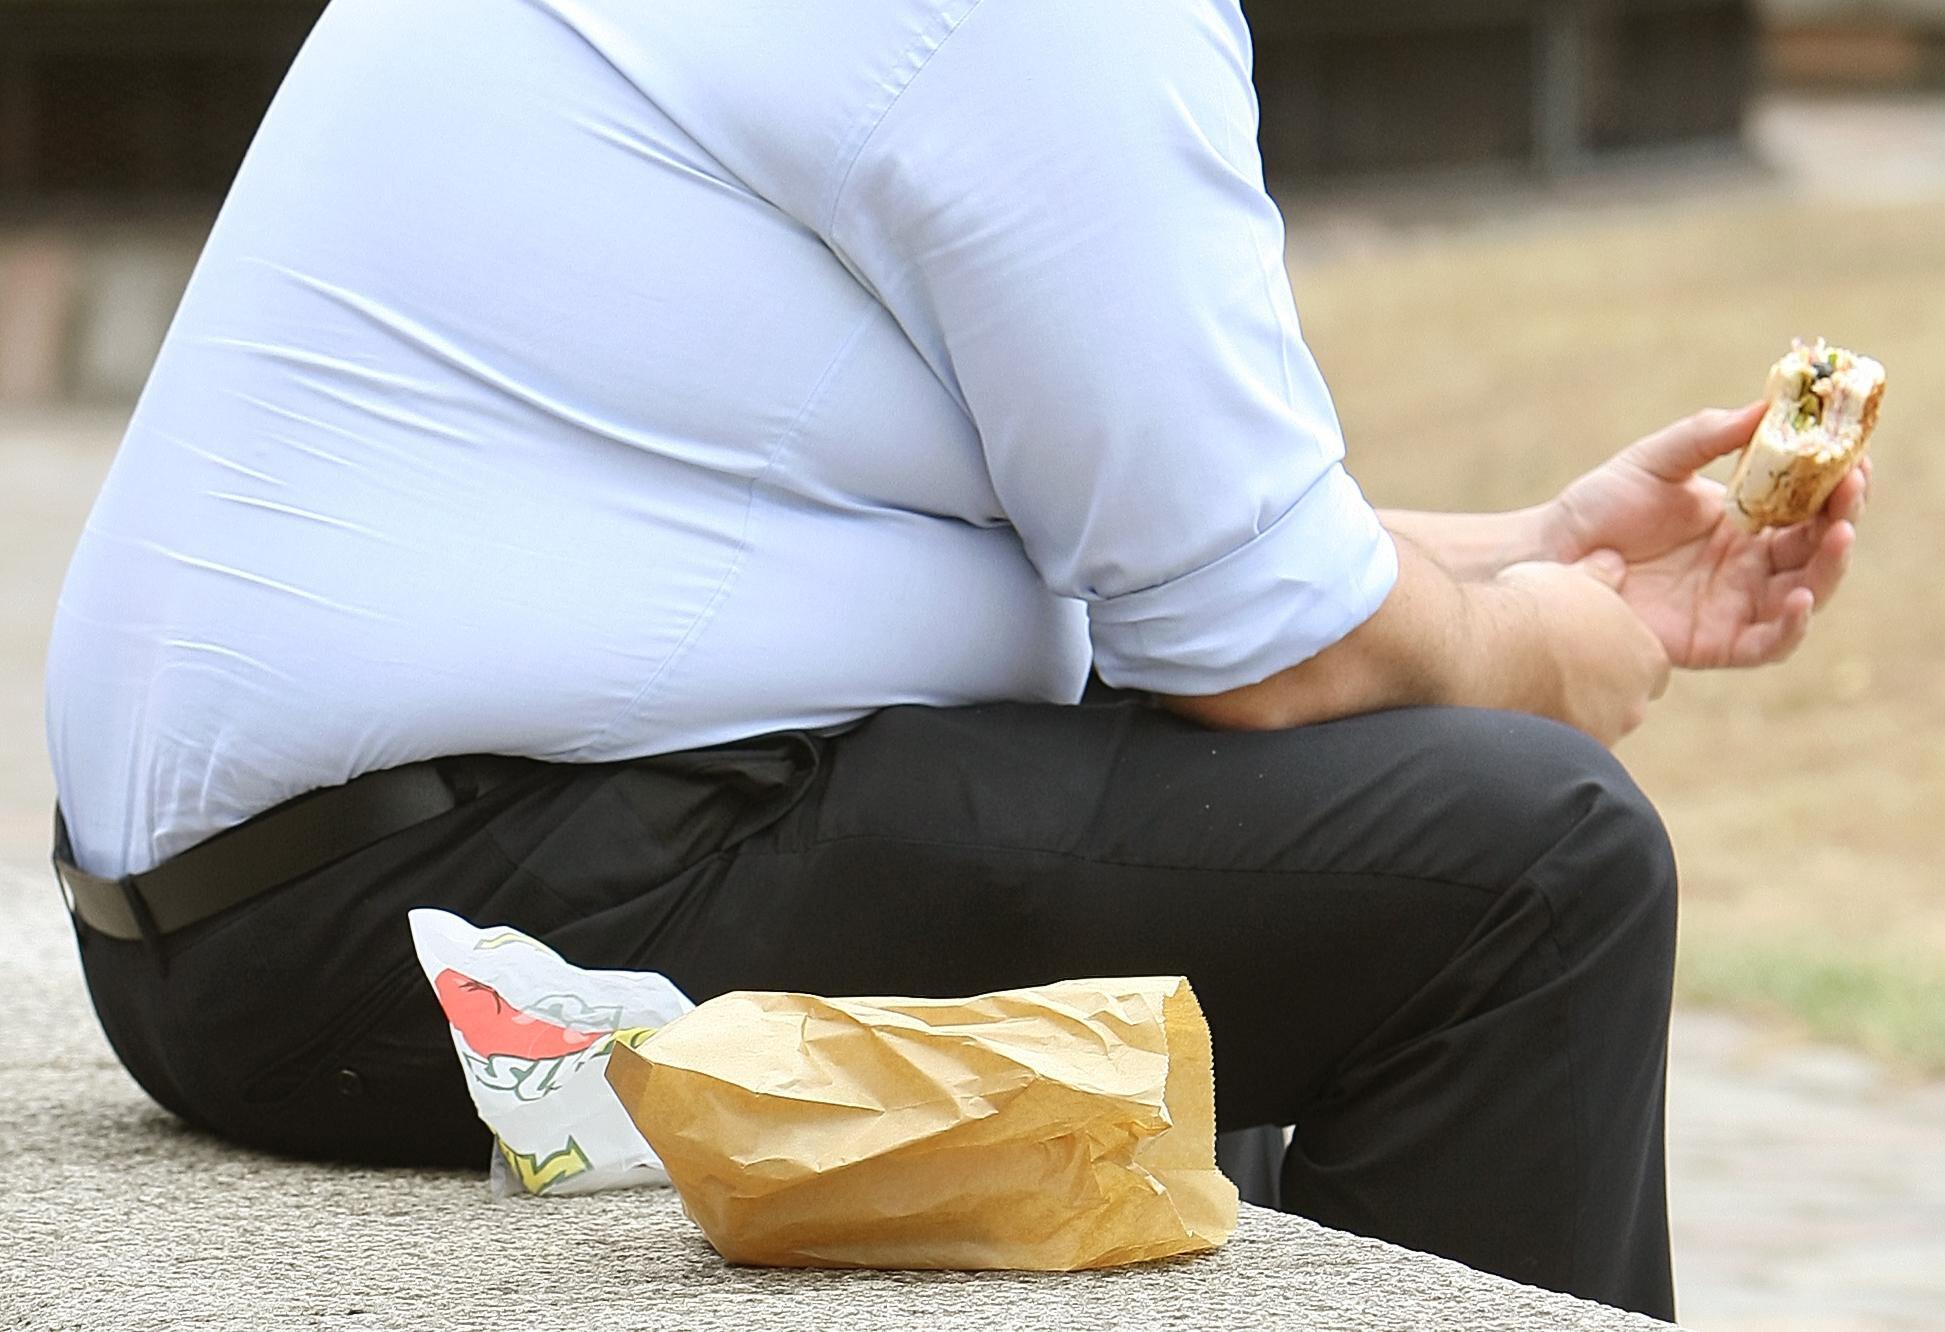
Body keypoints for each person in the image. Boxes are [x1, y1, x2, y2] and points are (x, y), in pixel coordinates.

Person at [44, 0, 1864, 1320]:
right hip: (448, 945)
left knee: (1236, 837)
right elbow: (1258, 654)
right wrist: (1540, 655)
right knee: (1527, 854)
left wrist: (1526, 558)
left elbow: (1177, 557)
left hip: (260, 918)